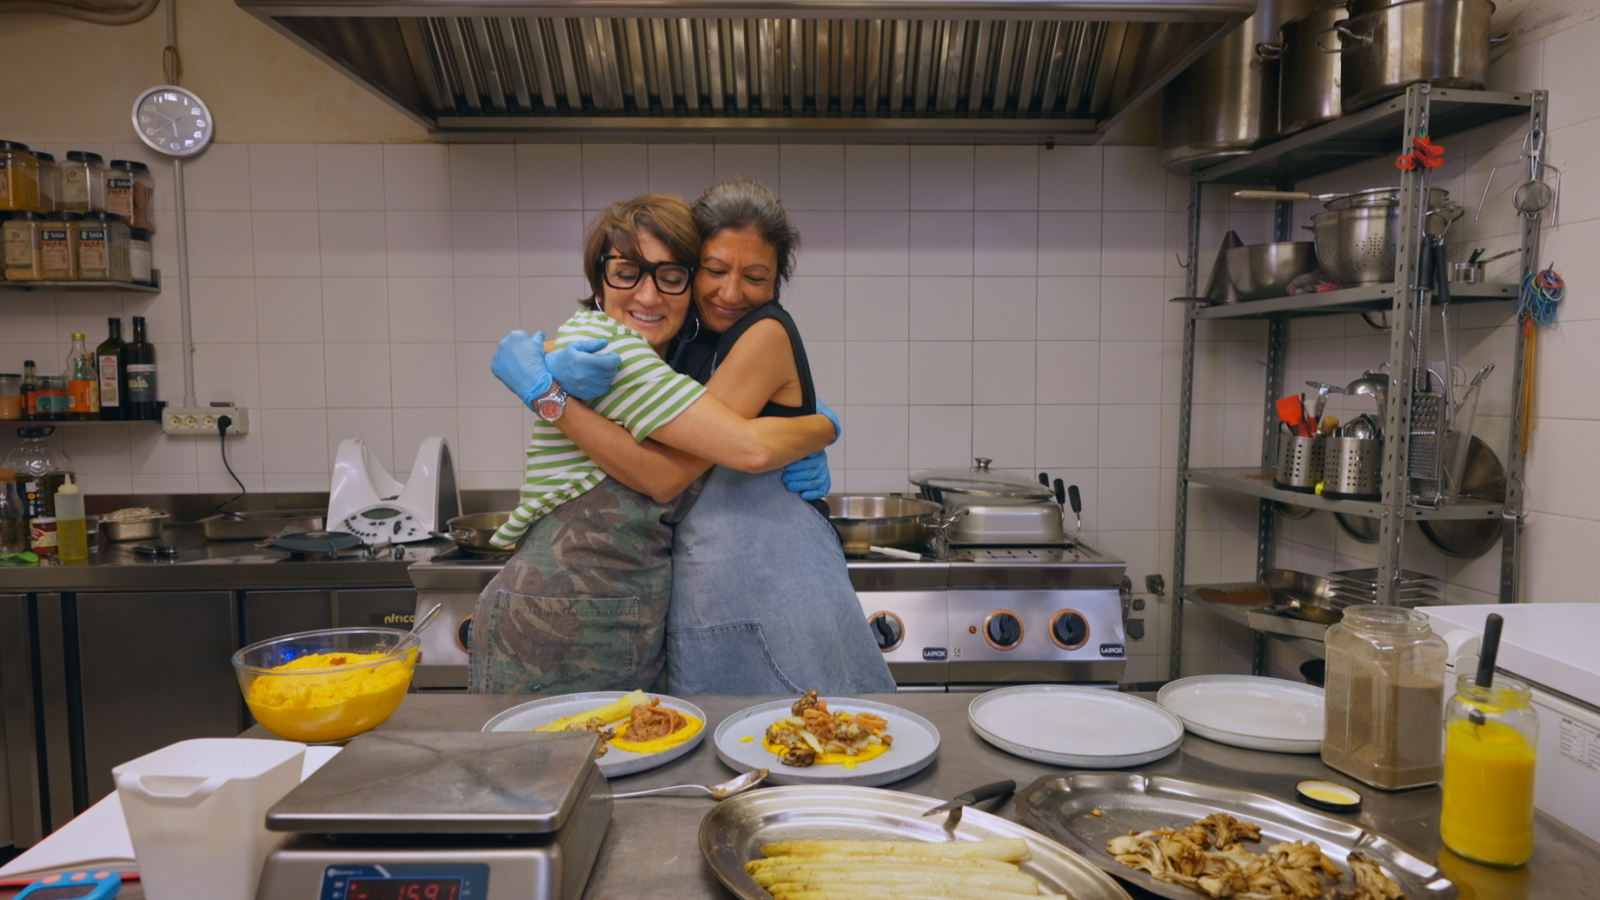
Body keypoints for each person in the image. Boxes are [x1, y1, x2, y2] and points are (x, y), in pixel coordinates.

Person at [469, 193, 837, 695]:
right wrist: (823, 427)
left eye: (668, 277)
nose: (647, 295)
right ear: (600, 279)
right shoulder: (618, 349)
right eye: (627, 273)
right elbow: (688, 469)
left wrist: (550, 388)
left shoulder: (659, 358)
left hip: (608, 614)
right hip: (564, 617)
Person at [544, 177, 897, 695]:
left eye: (756, 277)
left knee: (817, 754)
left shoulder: (764, 332)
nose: (731, 293)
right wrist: (548, 352)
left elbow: (669, 472)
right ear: (687, 269)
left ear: (776, 283)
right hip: (714, 590)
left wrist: (546, 396)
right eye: (714, 270)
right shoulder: (683, 339)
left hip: (781, 593)